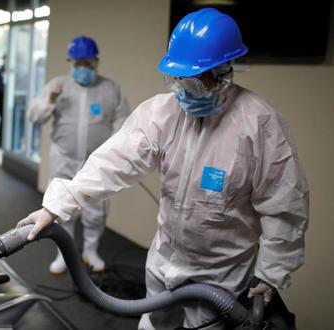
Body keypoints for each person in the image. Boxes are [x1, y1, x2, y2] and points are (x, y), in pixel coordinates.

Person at [17, 8, 308, 329]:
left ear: (224, 73)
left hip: (221, 274)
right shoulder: (161, 112)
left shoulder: (259, 124)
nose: (182, 90)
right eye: (176, 79)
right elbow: (113, 161)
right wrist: (58, 204)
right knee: (154, 324)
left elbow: (285, 207)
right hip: (164, 258)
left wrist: (271, 271)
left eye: (193, 81)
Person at [27, 36, 130, 274]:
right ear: (70, 63)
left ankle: (90, 251)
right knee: (61, 207)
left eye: (88, 63)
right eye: (78, 63)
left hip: (96, 162)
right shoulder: (58, 85)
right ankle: (64, 254)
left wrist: (116, 148)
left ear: (96, 62)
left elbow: (123, 120)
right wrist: (50, 100)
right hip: (64, 157)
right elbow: (35, 116)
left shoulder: (110, 88)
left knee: (96, 209)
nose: (83, 68)